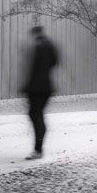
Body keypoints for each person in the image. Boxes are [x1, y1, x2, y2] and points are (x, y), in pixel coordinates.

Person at [22, 25, 59, 160]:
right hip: (46, 86)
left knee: (35, 114)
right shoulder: (49, 45)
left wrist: (27, 86)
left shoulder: (37, 46)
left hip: (37, 87)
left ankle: (38, 148)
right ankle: (38, 146)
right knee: (37, 114)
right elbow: (55, 61)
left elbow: (33, 68)